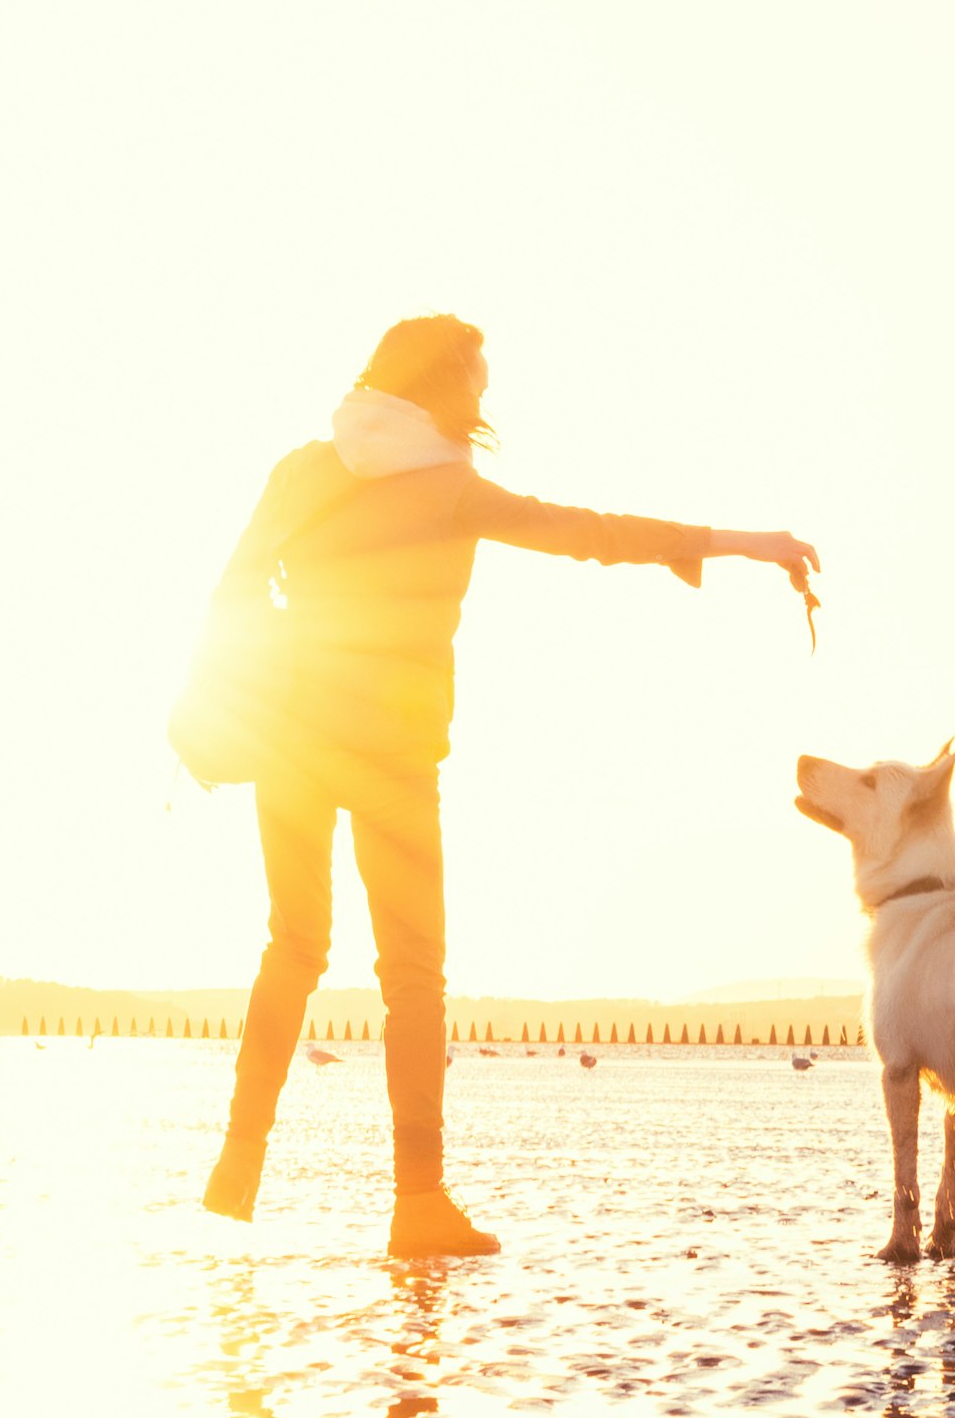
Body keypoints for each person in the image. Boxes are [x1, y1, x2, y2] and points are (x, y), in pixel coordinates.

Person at [198, 314, 818, 1257]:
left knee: (294, 944)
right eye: (477, 383)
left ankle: (238, 1166)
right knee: (412, 978)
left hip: (288, 742)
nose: (485, 399)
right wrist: (741, 541)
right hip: (393, 756)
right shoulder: (446, 486)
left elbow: (232, 592)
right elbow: (588, 535)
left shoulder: (301, 470)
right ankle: (419, 1204)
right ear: (443, 388)